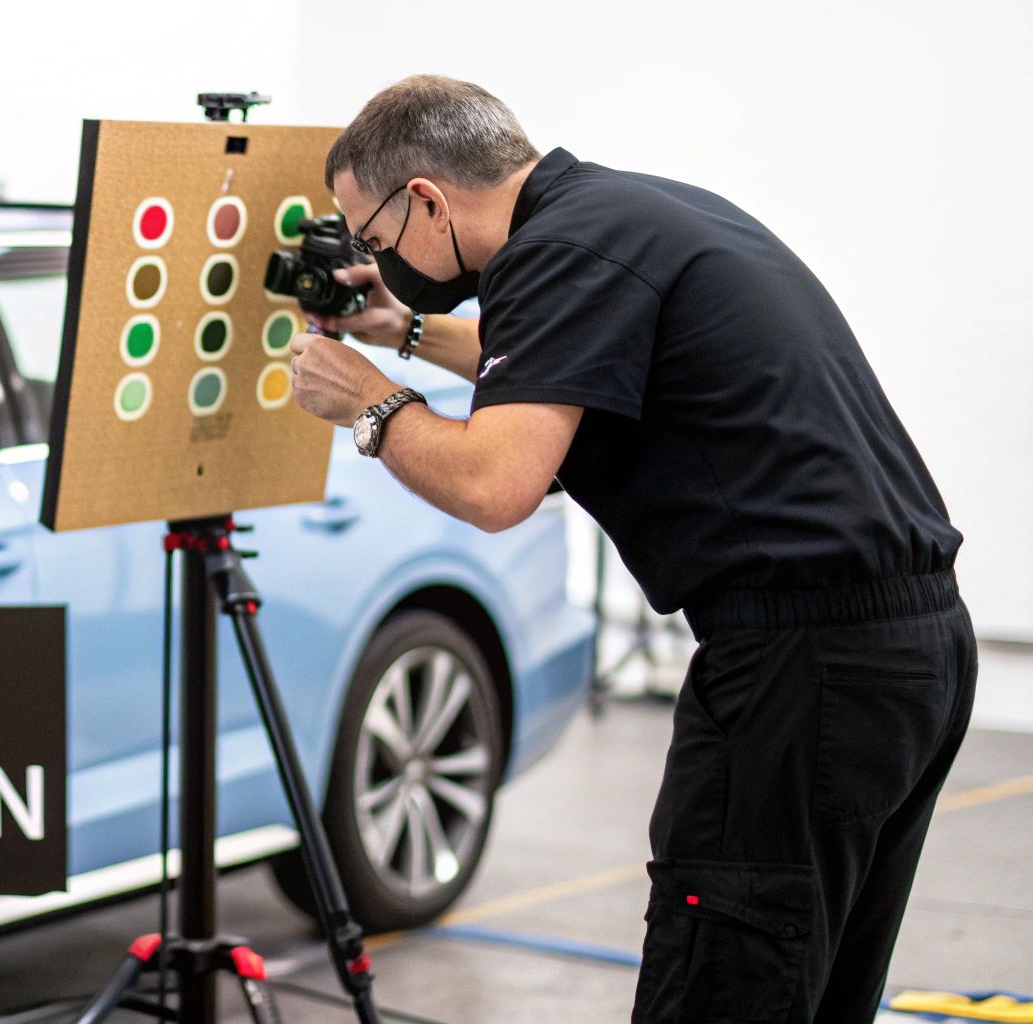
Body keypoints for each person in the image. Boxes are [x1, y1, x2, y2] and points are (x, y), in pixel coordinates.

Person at [288, 74, 975, 1024]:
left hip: (801, 667)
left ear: (430, 200)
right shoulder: (629, 214)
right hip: (909, 651)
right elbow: (546, 355)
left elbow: (494, 485)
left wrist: (364, 394)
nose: (378, 257)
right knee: (811, 995)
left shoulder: (554, 254)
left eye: (376, 238)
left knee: (723, 986)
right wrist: (402, 330)